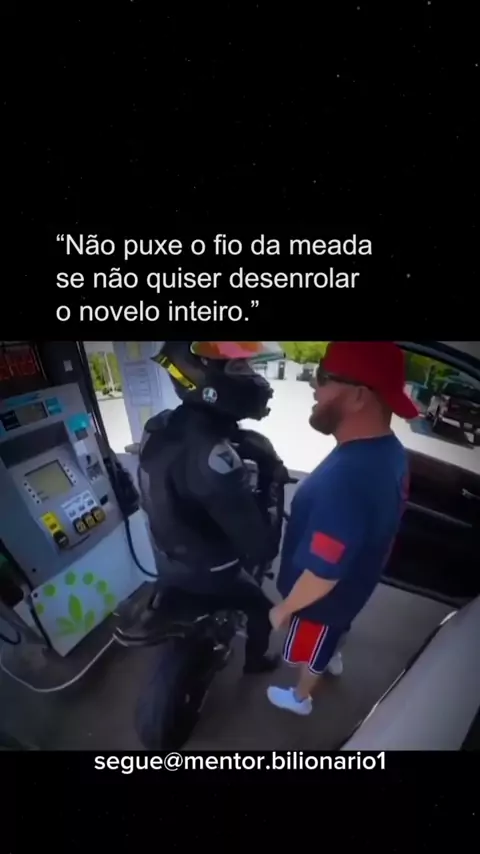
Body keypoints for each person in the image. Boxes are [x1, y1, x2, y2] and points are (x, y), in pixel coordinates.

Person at [267, 341, 418, 715]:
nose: (313, 385)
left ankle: (300, 698)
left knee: (309, 652)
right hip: (355, 588)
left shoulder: (349, 478)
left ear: (359, 397)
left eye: (323, 377)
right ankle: (332, 654)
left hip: (322, 604)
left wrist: (285, 608)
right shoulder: (387, 451)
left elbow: (323, 572)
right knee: (334, 634)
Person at [132, 341, 288, 673]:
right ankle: (256, 662)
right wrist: (272, 482)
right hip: (214, 571)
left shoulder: (157, 428)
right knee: (264, 611)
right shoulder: (215, 459)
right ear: (203, 376)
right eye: (240, 367)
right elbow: (261, 547)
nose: (254, 378)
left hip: (167, 559)